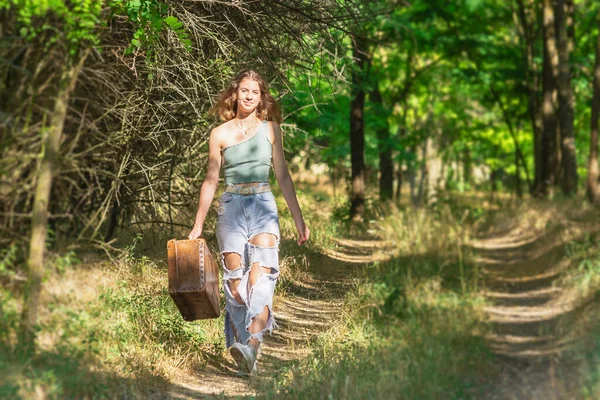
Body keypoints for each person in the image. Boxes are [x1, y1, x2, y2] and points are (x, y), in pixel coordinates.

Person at [187, 70, 310, 375]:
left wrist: (299, 219)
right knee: (234, 284)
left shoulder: (272, 130)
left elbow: (282, 175)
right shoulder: (219, 134)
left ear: (261, 97)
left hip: (263, 204)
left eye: (255, 92)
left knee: (261, 276)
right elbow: (211, 179)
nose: (249, 96)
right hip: (230, 208)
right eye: (244, 90)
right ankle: (242, 347)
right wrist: (198, 224)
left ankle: (252, 345)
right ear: (235, 93)